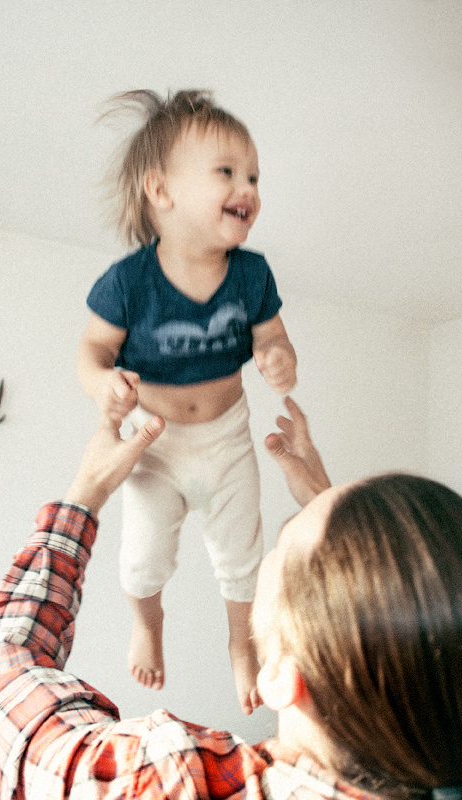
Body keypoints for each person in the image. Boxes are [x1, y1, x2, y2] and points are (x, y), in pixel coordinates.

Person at [0, 397, 462, 800]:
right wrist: (339, 511)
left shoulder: (171, 782)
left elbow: (6, 673)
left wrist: (84, 492)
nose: (271, 544)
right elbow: (421, 658)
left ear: (280, 679)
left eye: (283, 543)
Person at [76, 89, 297, 712]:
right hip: (157, 446)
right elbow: (92, 350)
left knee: (242, 556)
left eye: (253, 176)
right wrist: (103, 383)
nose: (247, 187)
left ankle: (241, 643)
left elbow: (273, 337)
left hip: (228, 437)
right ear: (161, 190)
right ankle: (148, 623)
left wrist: (279, 356)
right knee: (142, 560)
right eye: (227, 171)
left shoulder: (252, 274)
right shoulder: (129, 282)